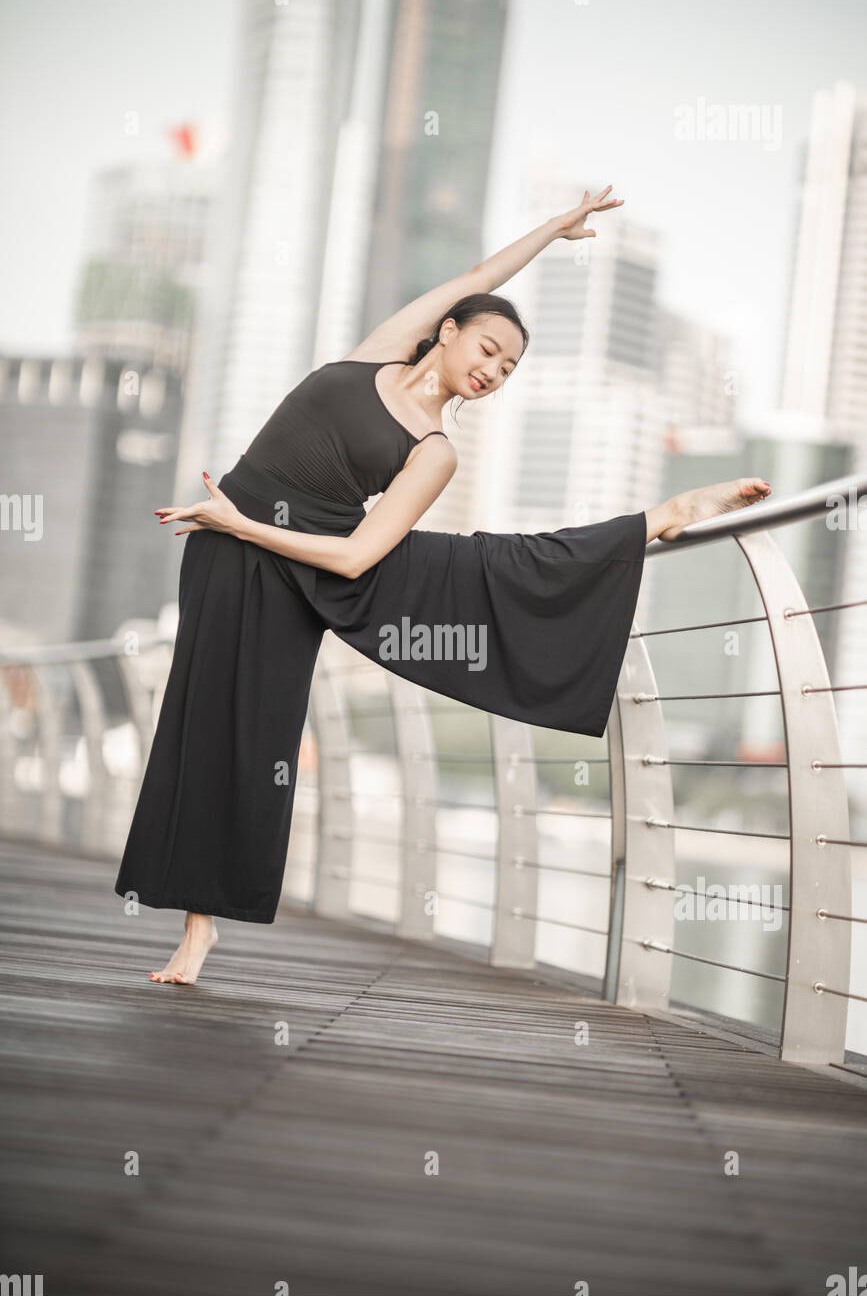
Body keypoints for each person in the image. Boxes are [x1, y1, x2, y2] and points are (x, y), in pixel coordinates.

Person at [115, 186, 771, 984]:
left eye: (508, 367)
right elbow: (478, 272)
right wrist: (555, 229)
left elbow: (356, 558)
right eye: (487, 349)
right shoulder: (378, 352)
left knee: (260, 739)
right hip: (219, 547)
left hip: (291, 558)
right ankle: (193, 922)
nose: (492, 370)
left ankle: (659, 516)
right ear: (449, 330)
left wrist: (240, 524)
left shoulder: (433, 451)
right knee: (199, 721)